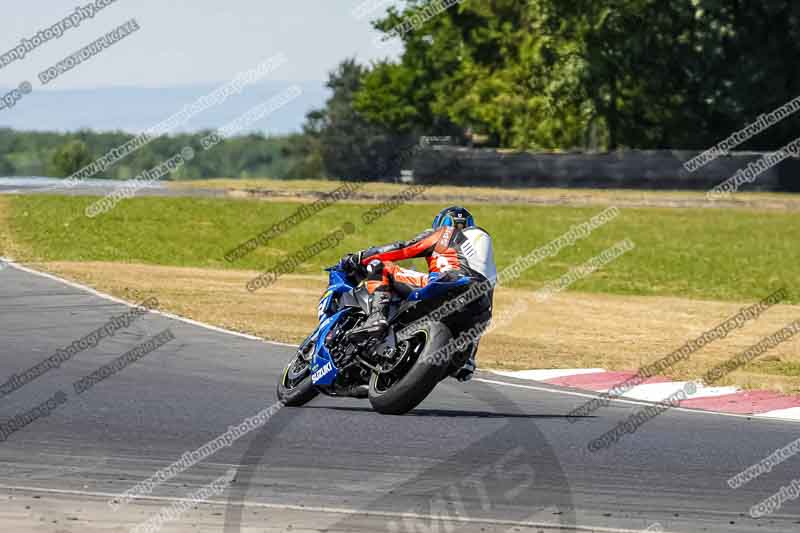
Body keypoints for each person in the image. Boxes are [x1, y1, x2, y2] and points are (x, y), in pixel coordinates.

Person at [341, 206, 496, 381]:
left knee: (381, 266)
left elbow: (403, 249)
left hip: (446, 285)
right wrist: (470, 356)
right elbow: (486, 308)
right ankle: (462, 358)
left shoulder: (444, 233)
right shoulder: (485, 259)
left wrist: (360, 257)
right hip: (478, 311)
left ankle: (376, 318)